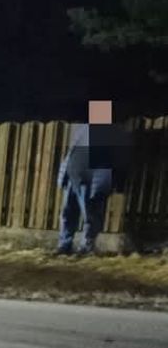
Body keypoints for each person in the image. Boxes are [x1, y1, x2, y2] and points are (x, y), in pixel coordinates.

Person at [56, 99, 131, 255]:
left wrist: (111, 183)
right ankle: (64, 245)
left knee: (90, 214)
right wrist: (65, 174)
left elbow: (115, 161)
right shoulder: (83, 129)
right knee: (68, 212)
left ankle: (86, 247)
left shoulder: (111, 134)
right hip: (73, 176)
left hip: (90, 180)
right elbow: (72, 152)